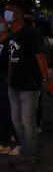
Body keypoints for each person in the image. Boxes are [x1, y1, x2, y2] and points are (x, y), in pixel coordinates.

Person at [4, 0, 53, 172]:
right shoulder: (12, 35)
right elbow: (11, 60)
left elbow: (40, 57)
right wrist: (9, 81)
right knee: (16, 122)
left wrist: (45, 79)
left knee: (28, 122)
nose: (6, 14)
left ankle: (29, 156)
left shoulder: (30, 33)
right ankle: (26, 151)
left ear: (18, 13)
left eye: (9, 11)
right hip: (14, 86)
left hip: (29, 86)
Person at [0, 12, 19, 155]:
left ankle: (17, 143)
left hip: (8, 79)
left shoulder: (11, 39)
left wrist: (10, 79)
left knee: (11, 112)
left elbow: (12, 61)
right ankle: (4, 141)